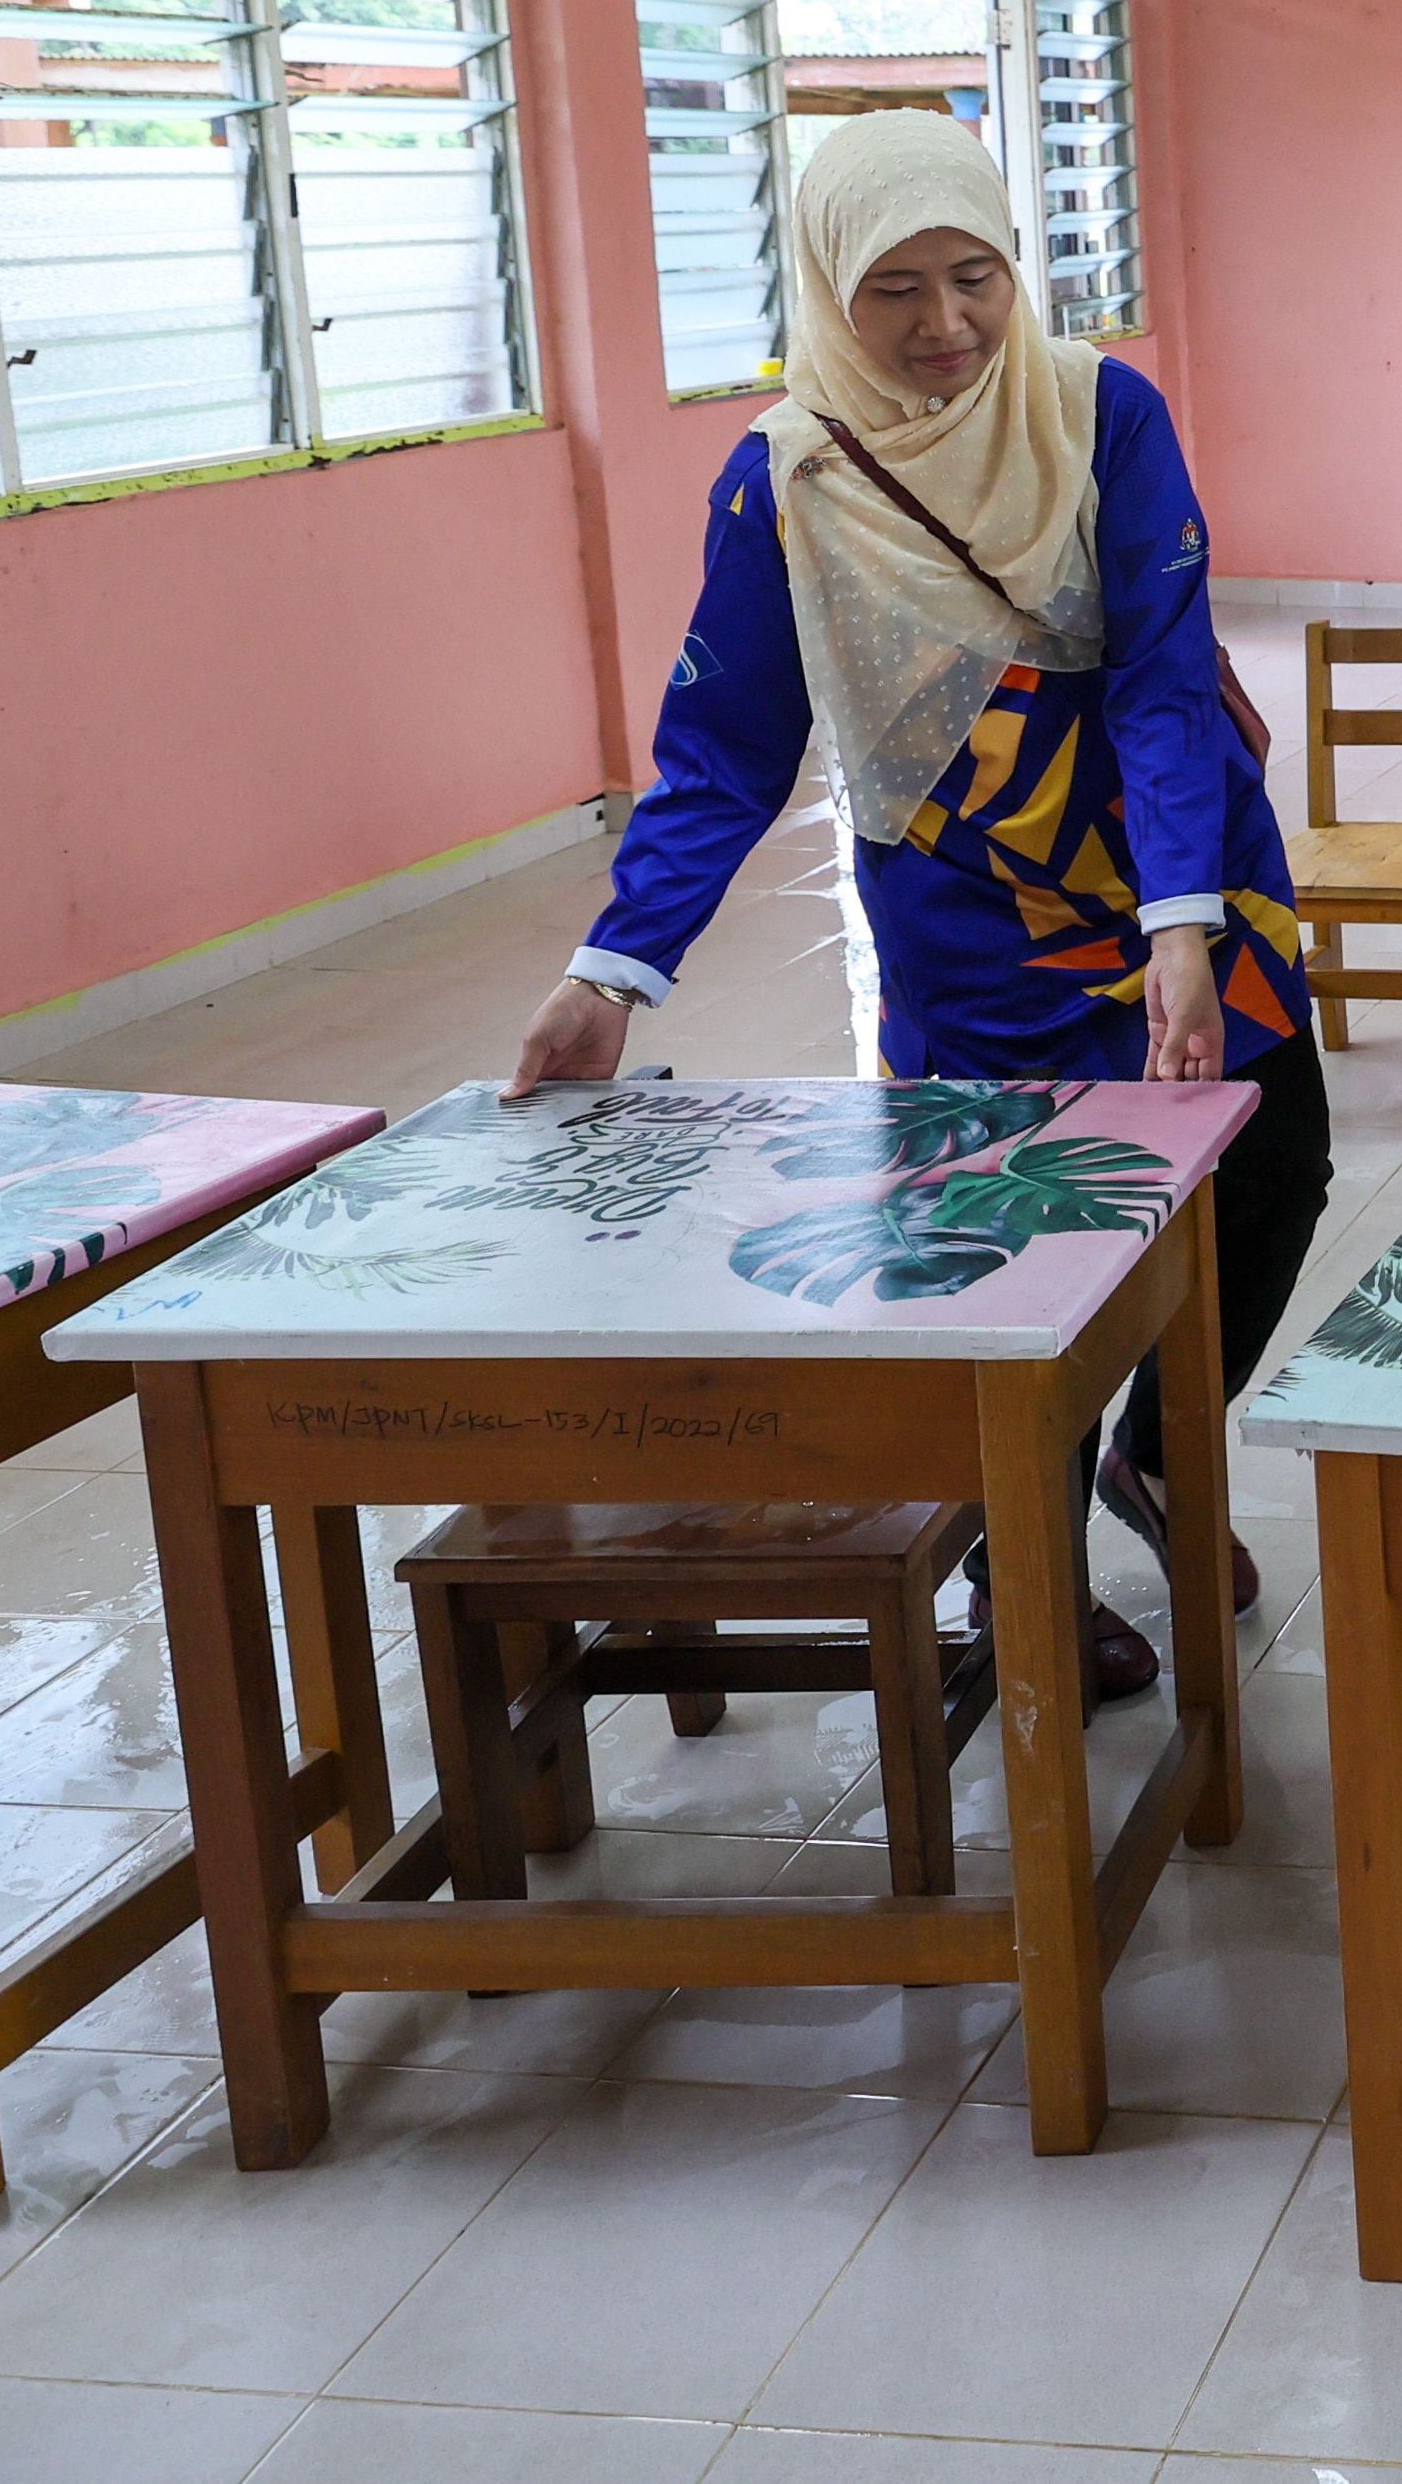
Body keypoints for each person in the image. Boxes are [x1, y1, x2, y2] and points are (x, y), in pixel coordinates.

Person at [516, 112, 1322, 1708]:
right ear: (827, 287)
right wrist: (618, 966)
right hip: (975, 918)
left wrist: (1179, 923)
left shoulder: (1101, 412)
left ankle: (1162, 1457)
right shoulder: (787, 480)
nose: (945, 324)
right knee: (1016, 1243)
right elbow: (726, 743)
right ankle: (1019, 1567)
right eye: (895, 287)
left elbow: (1163, 672)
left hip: (1184, 876)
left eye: (975, 276)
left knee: (1276, 1162)